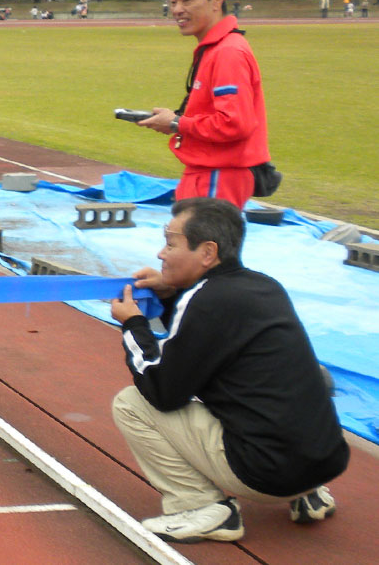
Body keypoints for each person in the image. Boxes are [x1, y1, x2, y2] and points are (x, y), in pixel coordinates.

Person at [109, 197, 349, 544]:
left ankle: (202, 508)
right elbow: (209, 334)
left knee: (132, 403)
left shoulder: (205, 300)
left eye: (171, 243)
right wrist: (172, 293)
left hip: (265, 475)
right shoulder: (265, 286)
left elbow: (162, 391)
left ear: (207, 252)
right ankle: (308, 493)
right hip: (326, 460)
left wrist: (133, 325)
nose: (161, 254)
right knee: (287, 381)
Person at [138, 0, 273, 209]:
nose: (177, 9)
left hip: (218, 176)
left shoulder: (228, 52)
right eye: (172, 2)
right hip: (208, 173)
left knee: (203, 247)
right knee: (188, 246)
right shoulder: (215, 48)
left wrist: (177, 122)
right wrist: (176, 122)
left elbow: (234, 123)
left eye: (186, 1)